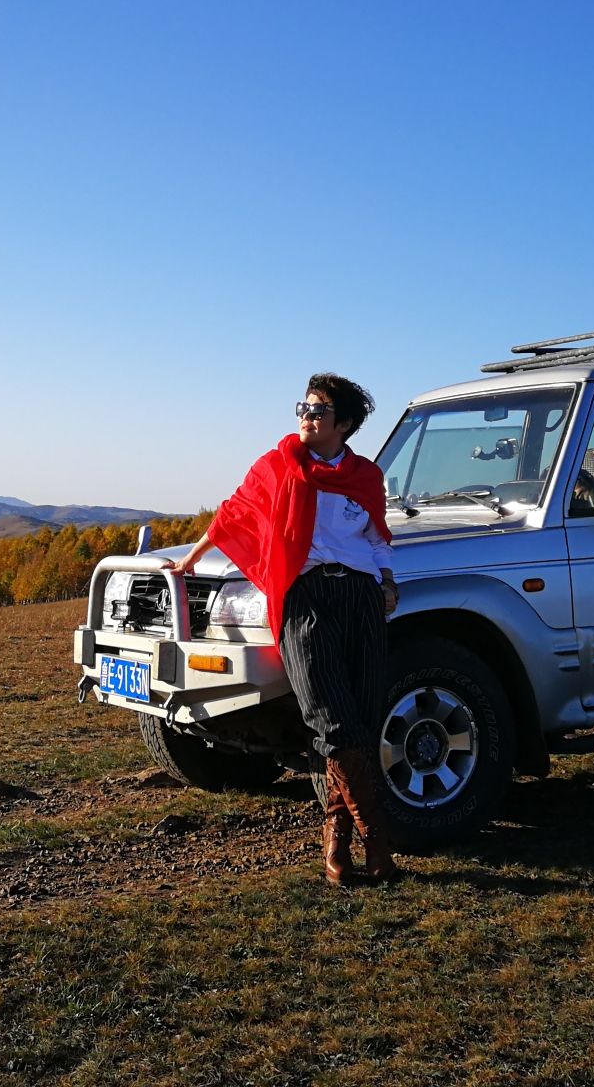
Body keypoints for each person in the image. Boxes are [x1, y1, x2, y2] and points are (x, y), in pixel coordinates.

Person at [164, 373, 401, 887]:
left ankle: (337, 833)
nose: (305, 416)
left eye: (317, 410)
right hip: (306, 598)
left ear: (344, 424)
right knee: (330, 717)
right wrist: (190, 559)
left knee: (361, 714)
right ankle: (377, 835)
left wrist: (386, 580)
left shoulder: (364, 476)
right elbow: (233, 513)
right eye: (303, 407)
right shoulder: (279, 466)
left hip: (360, 597)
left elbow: (377, 535)